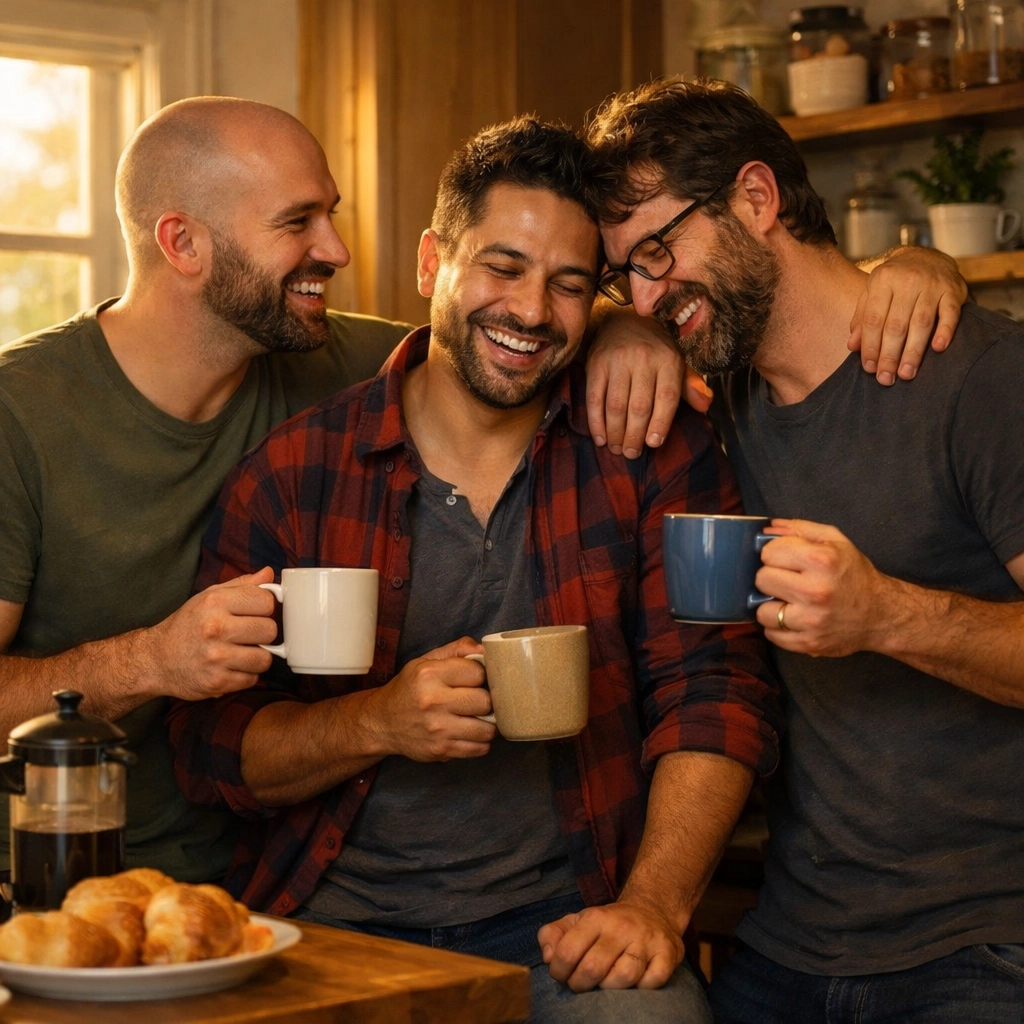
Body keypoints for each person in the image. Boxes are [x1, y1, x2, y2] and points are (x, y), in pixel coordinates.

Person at [0, 90, 953, 887]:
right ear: (182, 242)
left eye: (574, 285)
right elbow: (214, 749)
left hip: (289, 882)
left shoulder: (345, 352)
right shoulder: (56, 419)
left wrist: (639, 326)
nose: (333, 251)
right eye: (298, 224)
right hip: (85, 875)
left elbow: (507, 335)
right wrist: (159, 663)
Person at [167, 115, 785, 1024]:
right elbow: (212, 753)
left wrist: (652, 905)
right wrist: (377, 721)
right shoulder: (297, 472)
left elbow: (717, 687)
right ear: (433, 265)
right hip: (332, 924)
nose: (532, 313)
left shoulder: (649, 446)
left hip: (569, 921)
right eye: (502, 268)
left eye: (572, 285)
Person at [586, 77, 1024, 1022]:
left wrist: (885, 615)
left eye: (659, 252)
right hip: (788, 941)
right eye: (628, 274)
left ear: (756, 197)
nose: (653, 295)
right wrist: (617, 323)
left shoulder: (983, 377)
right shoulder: (716, 410)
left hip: (985, 939)